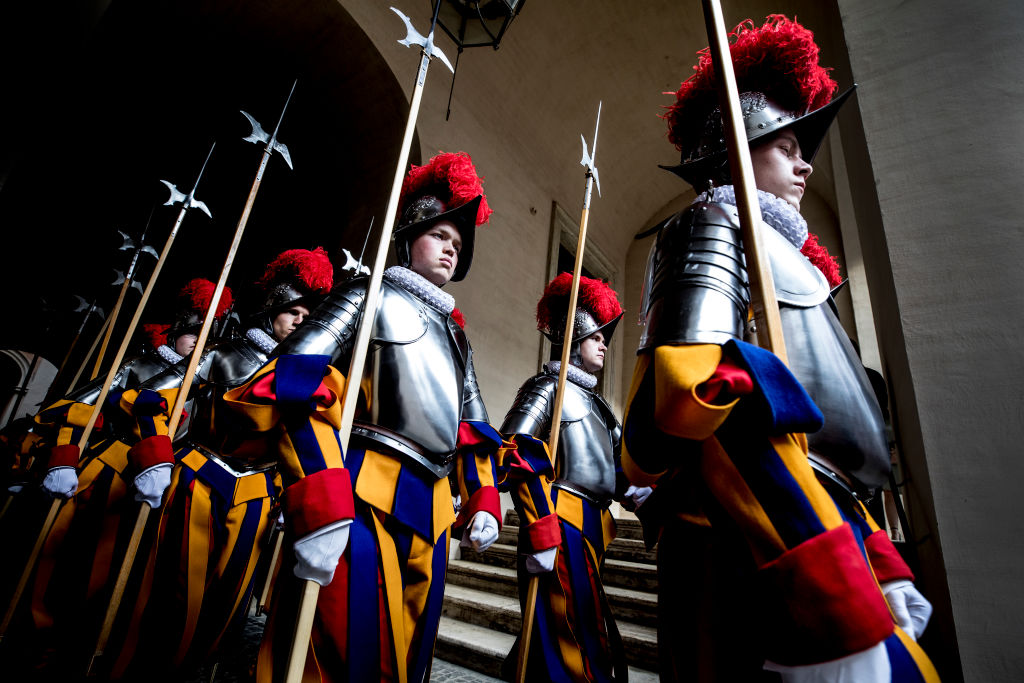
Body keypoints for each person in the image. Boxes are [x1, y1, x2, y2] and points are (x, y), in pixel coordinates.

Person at [623, 15, 938, 681]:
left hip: (819, 526)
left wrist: (877, 559)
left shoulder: (790, 260)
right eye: (788, 143)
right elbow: (702, 401)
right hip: (752, 546)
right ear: (736, 146)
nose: (806, 162)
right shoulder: (712, 225)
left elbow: (827, 450)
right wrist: (828, 581)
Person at [223, 151, 505, 682]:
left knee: (410, 657)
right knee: (343, 650)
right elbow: (292, 384)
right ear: (410, 234)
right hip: (359, 490)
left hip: (436, 510)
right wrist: (320, 488)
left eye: (459, 245)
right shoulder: (366, 296)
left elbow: (473, 428)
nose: (451, 249)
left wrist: (483, 497)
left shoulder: (456, 337)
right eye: (441, 236)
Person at [107, 247, 333, 678]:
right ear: (273, 309)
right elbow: (149, 399)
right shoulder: (220, 354)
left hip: (259, 497)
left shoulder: (299, 373)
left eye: (308, 313)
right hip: (200, 479)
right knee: (171, 599)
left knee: (227, 611)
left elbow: (298, 441)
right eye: (293, 311)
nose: (302, 320)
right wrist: (155, 454)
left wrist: (293, 498)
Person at [499, 273, 650, 682]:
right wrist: (539, 525)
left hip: (594, 527)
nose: (604, 344)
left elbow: (618, 468)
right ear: (571, 338)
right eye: (596, 337)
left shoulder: (601, 409)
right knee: (568, 635)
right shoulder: (546, 388)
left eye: (605, 338)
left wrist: (637, 489)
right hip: (558, 520)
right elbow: (513, 449)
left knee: (579, 625)